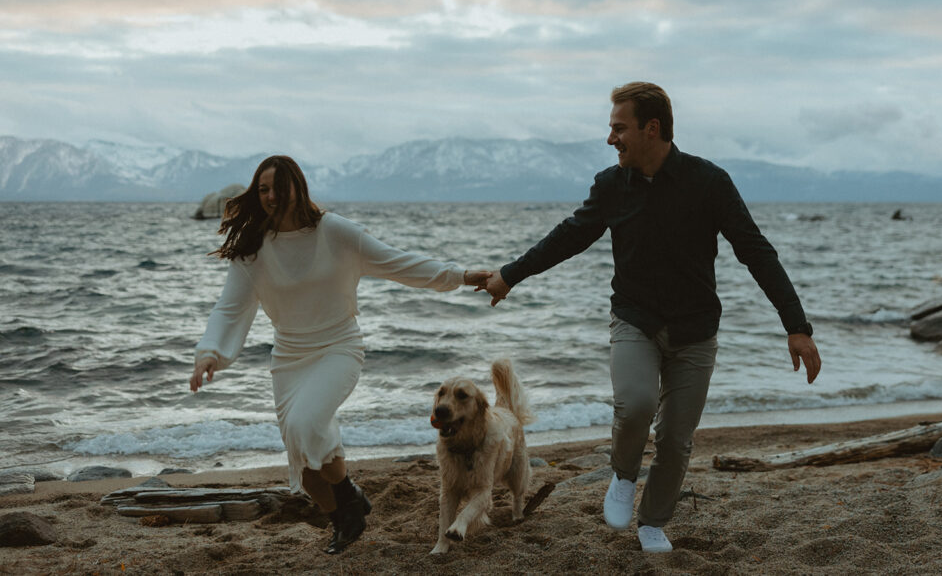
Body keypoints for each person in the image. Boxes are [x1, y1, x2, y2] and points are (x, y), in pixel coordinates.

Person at [482, 82, 821, 553]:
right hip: (635, 320)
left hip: (696, 330)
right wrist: (510, 275)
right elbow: (569, 237)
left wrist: (797, 326)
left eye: (619, 128)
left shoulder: (709, 182)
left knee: (677, 437)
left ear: (652, 128)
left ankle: (653, 522)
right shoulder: (610, 186)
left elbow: (756, 252)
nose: (611, 138)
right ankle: (622, 474)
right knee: (636, 405)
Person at [189, 155, 489, 554]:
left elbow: (398, 263)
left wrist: (460, 275)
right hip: (289, 361)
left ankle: (347, 499)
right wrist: (210, 353)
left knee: (305, 425)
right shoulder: (253, 249)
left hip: (338, 349)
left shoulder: (335, 231)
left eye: (280, 187)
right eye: (263, 189)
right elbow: (230, 308)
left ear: (299, 187)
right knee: (308, 467)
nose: (271, 196)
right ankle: (346, 514)